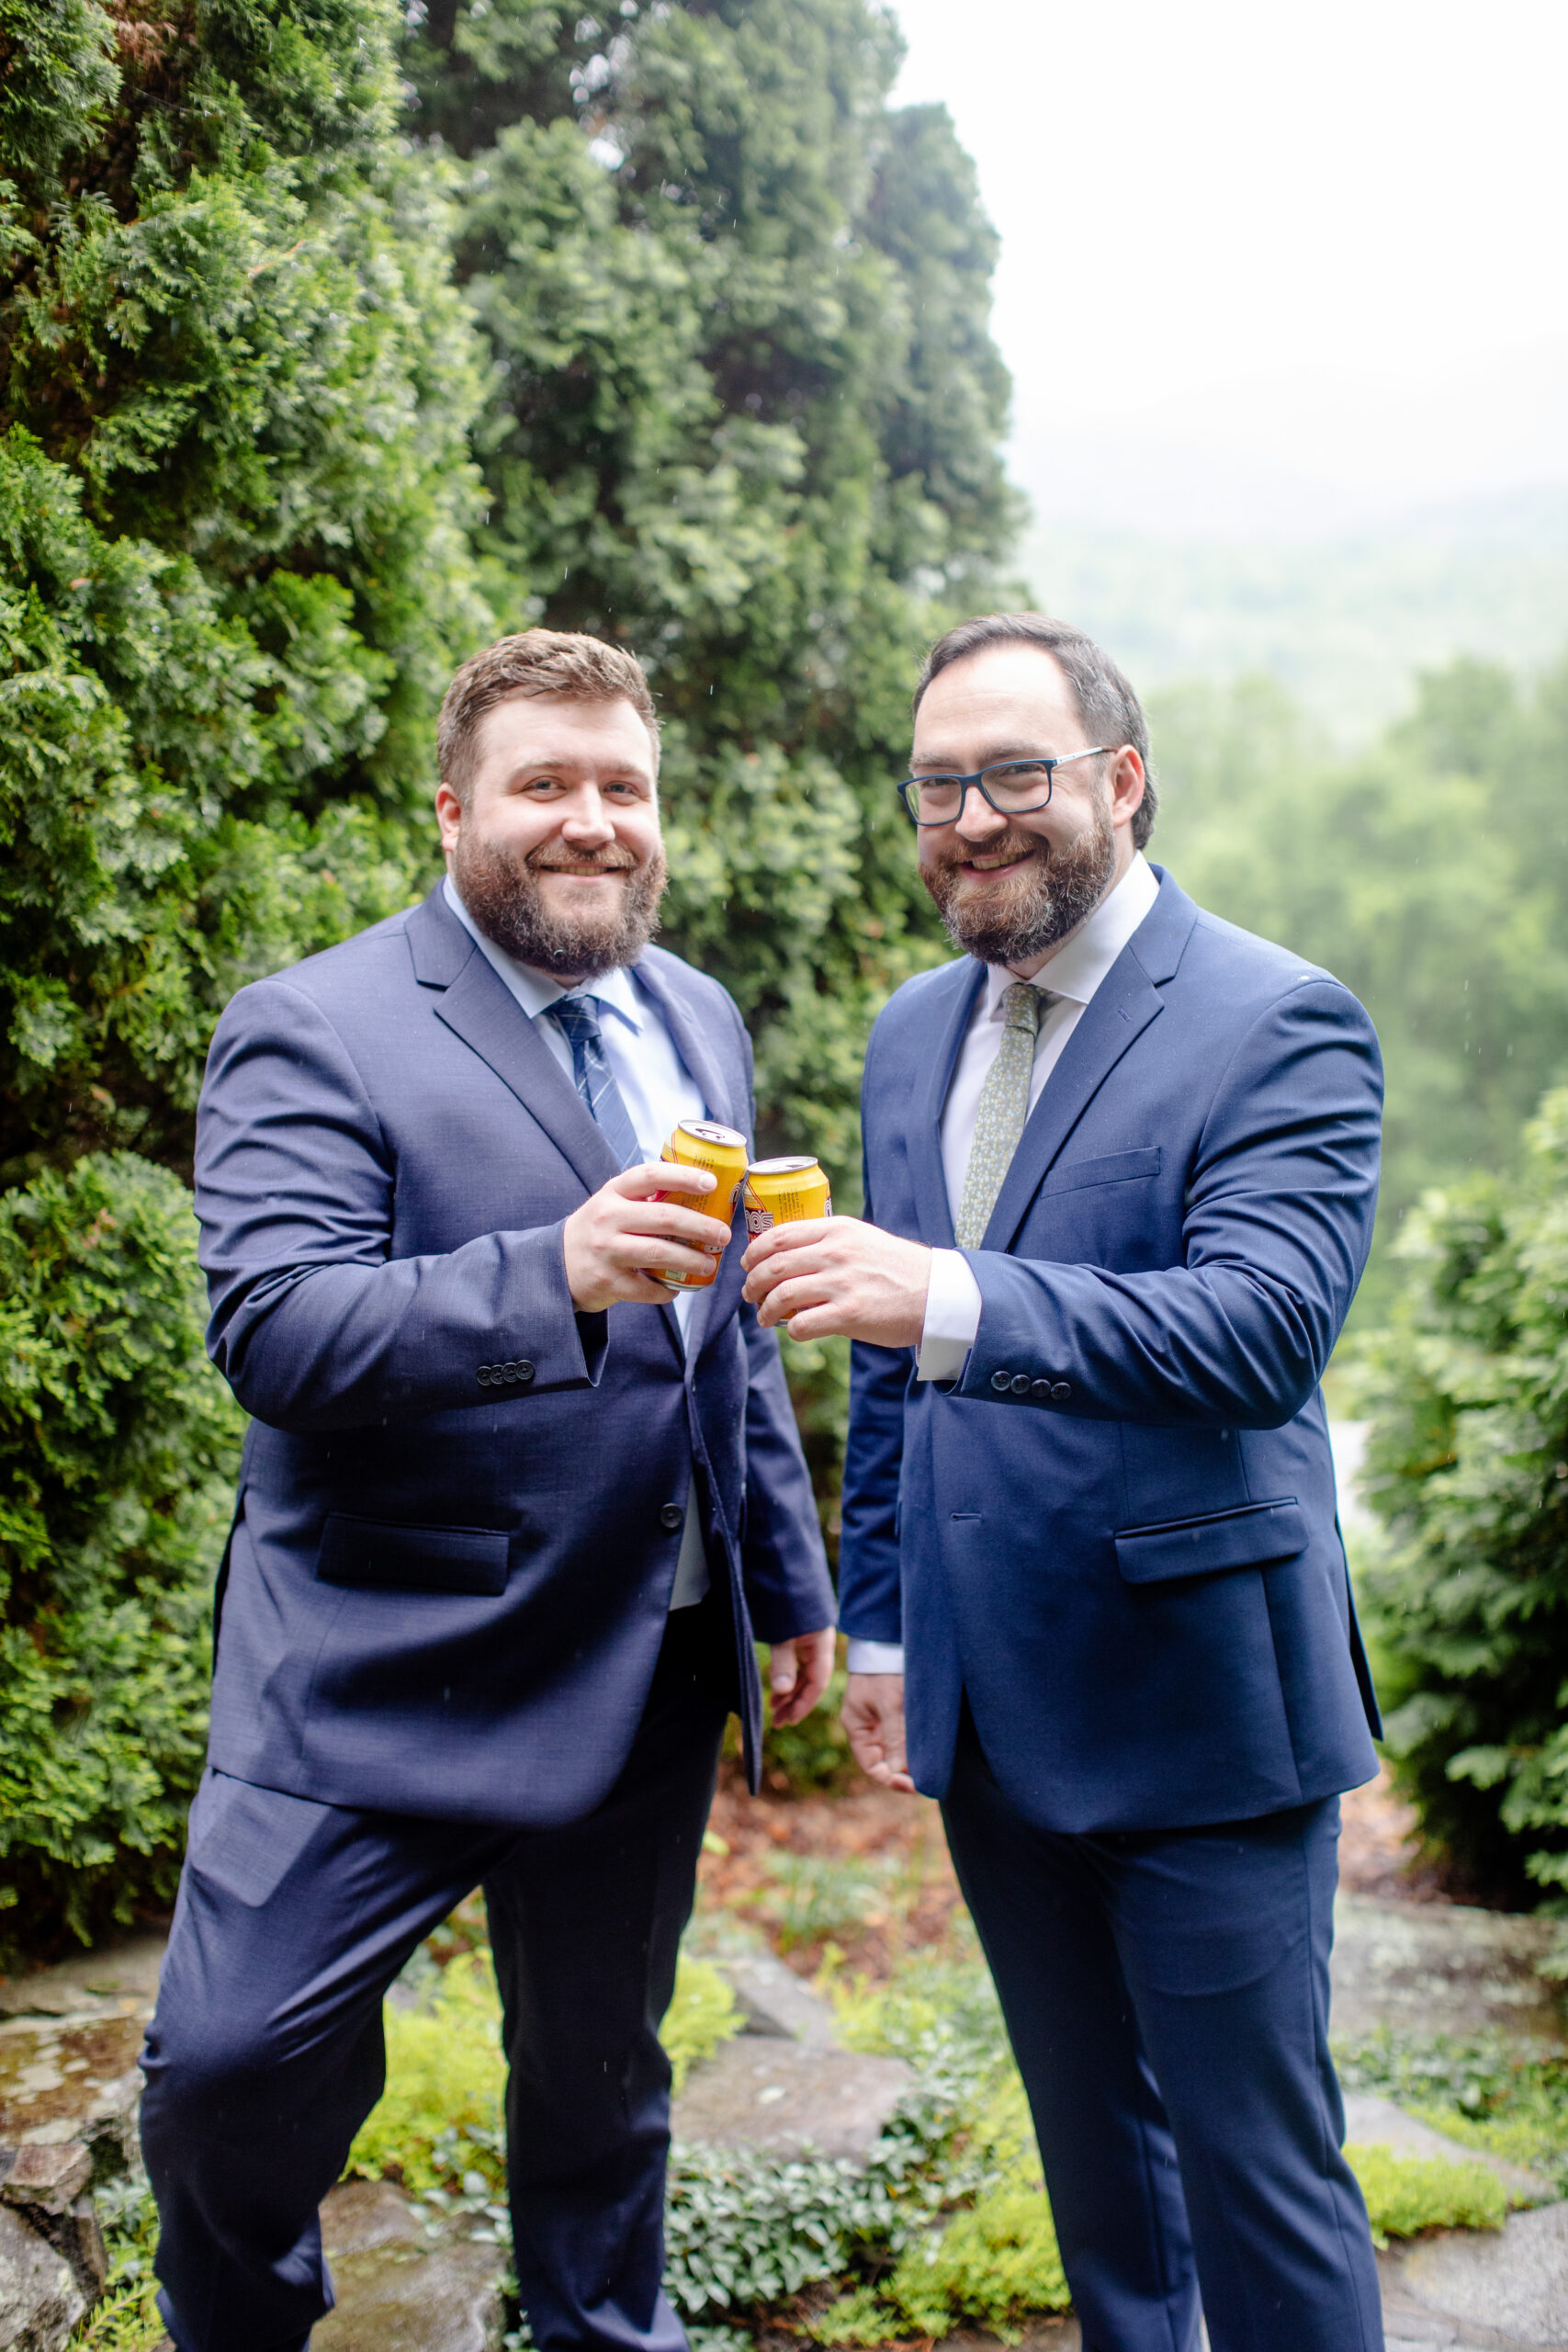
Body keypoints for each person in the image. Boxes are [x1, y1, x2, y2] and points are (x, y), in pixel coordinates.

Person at [141, 629, 836, 2352]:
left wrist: (786, 1567)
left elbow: (720, 1345)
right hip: (384, 1653)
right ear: (453, 810)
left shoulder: (697, 1015)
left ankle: (605, 2336)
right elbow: (279, 1331)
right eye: (547, 785)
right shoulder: (311, 1026)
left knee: (603, 2075)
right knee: (226, 2070)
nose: (594, 821)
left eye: (624, 786)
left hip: (647, 1654)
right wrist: (557, 1273)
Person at [741, 613, 1386, 2352]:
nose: (973, 816)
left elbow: (1257, 1332)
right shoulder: (908, 1034)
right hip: (993, 1715)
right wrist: (881, 1632)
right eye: (937, 783)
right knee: (1102, 2190)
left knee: (1261, 2186)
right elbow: (893, 1380)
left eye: (1015, 771)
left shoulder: (1279, 1020)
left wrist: (947, 1292)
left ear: (1121, 778)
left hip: (1202, 1714)